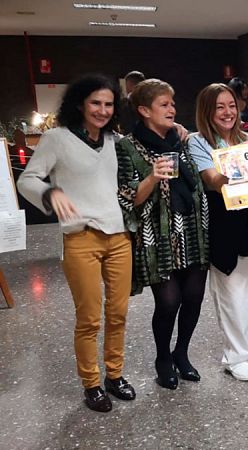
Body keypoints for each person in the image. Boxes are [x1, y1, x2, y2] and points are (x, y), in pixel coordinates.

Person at [17, 74, 136, 412]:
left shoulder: (116, 140)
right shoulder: (57, 139)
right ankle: (92, 383)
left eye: (108, 104)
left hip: (118, 238)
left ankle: (115, 375)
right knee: (89, 318)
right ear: (80, 104)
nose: (102, 110)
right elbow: (28, 178)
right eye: (95, 103)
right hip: (80, 237)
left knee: (118, 313)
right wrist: (50, 192)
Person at [187, 83, 248, 381]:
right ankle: (236, 355)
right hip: (225, 231)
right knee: (231, 293)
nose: (228, 112)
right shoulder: (199, 143)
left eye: (231, 105)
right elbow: (212, 179)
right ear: (207, 111)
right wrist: (239, 167)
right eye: (219, 107)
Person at [116, 79, 209, 390]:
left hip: (193, 229)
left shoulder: (182, 140)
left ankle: (181, 353)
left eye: (172, 103)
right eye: (164, 104)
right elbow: (131, 196)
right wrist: (153, 176)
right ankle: (162, 358)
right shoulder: (126, 146)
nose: (172, 108)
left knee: (194, 297)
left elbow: (196, 180)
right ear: (144, 110)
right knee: (169, 302)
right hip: (157, 235)